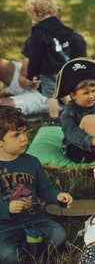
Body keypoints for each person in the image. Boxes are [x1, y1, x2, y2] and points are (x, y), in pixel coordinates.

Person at [0, 106, 72, 264]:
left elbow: (45, 189)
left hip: (34, 221)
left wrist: (57, 196)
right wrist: (7, 208)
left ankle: (30, 251)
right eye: (16, 135)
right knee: (7, 255)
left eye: (24, 132)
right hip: (4, 227)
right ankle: (22, 252)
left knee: (58, 234)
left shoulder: (32, 162)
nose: (24, 138)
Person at [22, 0, 86, 123]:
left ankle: (54, 117)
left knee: (51, 95)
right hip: (64, 68)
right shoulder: (61, 27)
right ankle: (76, 113)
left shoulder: (38, 32)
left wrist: (31, 75)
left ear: (33, 12)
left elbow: (36, 56)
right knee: (64, 92)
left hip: (48, 71)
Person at [56, 59, 95, 163]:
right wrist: (92, 141)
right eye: (86, 93)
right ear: (73, 95)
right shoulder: (68, 112)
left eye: (93, 91)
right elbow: (71, 133)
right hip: (80, 150)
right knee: (89, 120)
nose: (91, 96)